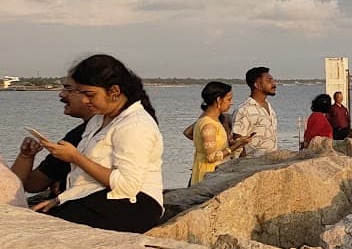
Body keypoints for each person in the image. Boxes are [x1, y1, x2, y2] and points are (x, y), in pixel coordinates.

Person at [33, 54, 163, 233]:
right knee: (43, 217)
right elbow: (87, 181)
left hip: (134, 204)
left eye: (90, 94)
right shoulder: (98, 120)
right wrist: (61, 199)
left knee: (50, 228)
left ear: (114, 92)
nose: (85, 100)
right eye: (81, 93)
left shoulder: (135, 125)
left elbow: (127, 185)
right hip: (99, 197)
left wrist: (76, 157)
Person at [12, 75, 95, 200]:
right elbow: (32, 185)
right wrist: (26, 157)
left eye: (68, 89)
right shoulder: (76, 135)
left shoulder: (107, 133)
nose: (61, 95)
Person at [190, 81, 233, 186]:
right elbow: (211, 157)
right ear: (218, 100)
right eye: (228, 99)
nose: (231, 103)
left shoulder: (212, 121)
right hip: (209, 173)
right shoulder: (208, 124)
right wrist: (235, 146)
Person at [232, 66, 279, 157]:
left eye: (273, 80)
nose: (274, 84)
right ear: (257, 85)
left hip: (271, 163)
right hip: (252, 165)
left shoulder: (270, 107)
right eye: (269, 81)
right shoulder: (244, 110)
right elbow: (237, 144)